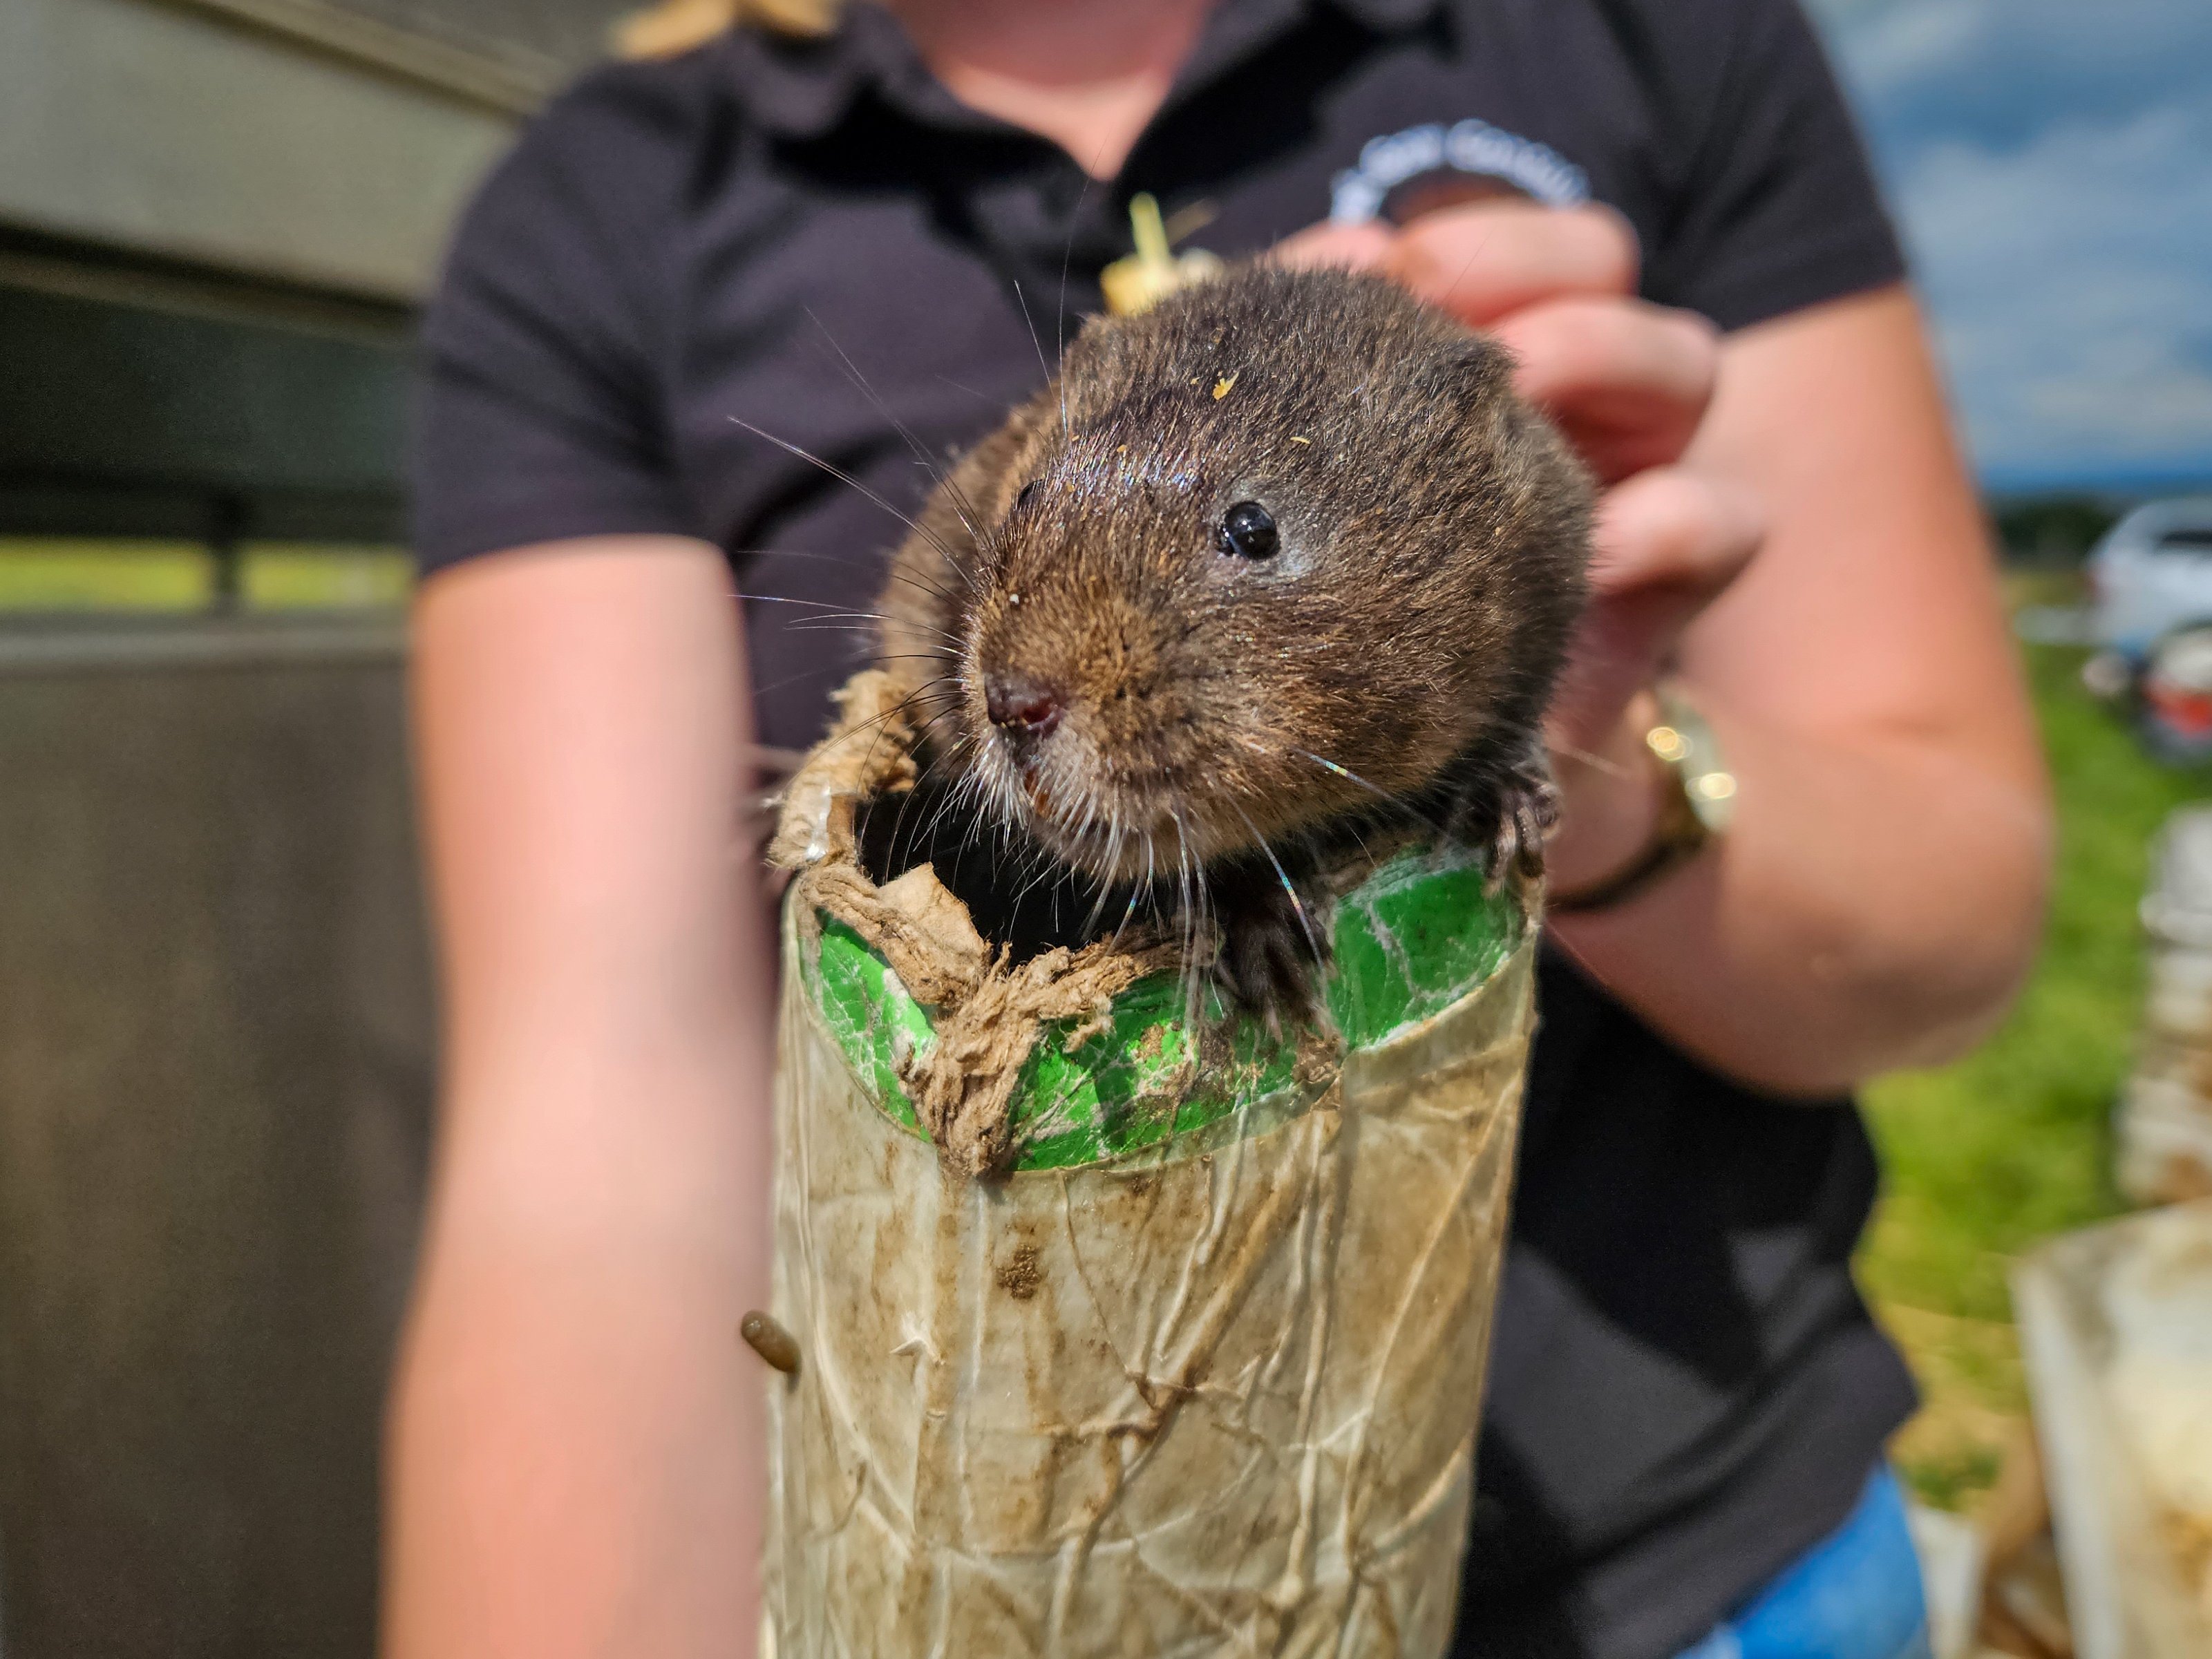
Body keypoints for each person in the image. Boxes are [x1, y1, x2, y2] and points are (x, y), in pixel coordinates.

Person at [386, 0, 2052, 1653]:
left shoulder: (1634, 35)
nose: (1038, 680)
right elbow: (589, 1165)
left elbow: (1960, 926)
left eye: (1242, 538)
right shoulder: (620, 192)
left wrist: (1597, 771)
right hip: (1011, 1566)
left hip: (1698, 1564)